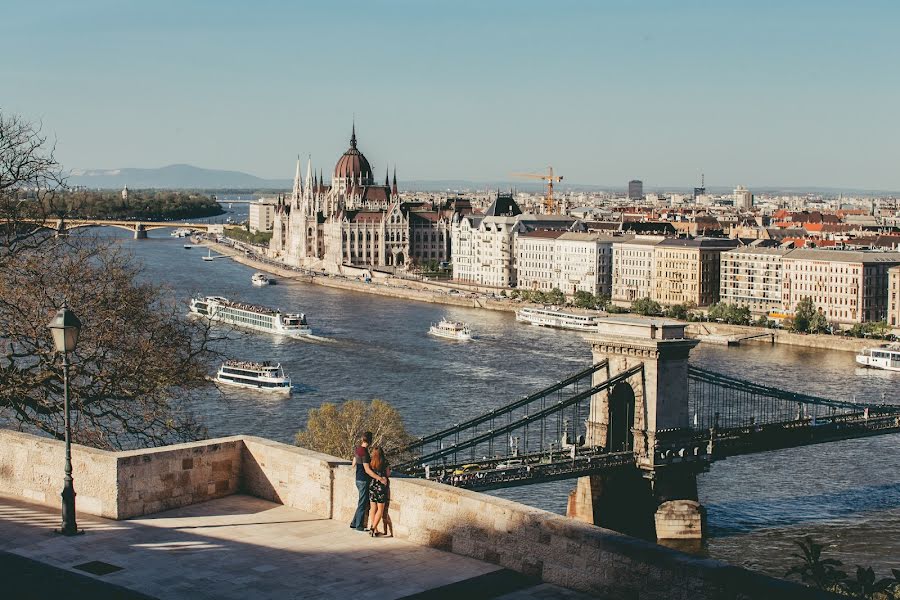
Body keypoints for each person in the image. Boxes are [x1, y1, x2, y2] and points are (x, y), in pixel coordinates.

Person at [349, 432, 385, 531]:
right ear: (370, 441)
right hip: (363, 480)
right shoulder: (364, 453)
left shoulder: (357, 449)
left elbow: (353, 463)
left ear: (362, 439)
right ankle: (359, 526)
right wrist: (380, 478)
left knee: (361, 501)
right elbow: (367, 470)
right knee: (362, 503)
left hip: (358, 479)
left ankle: (354, 523)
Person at [366, 447, 392, 537]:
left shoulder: (371, 462)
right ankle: (373, 528)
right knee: (380, 510)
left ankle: (374, 529)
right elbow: (388, 474)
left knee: (373, 508)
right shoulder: (385, 462)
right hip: (381, 487)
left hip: (372, 485)